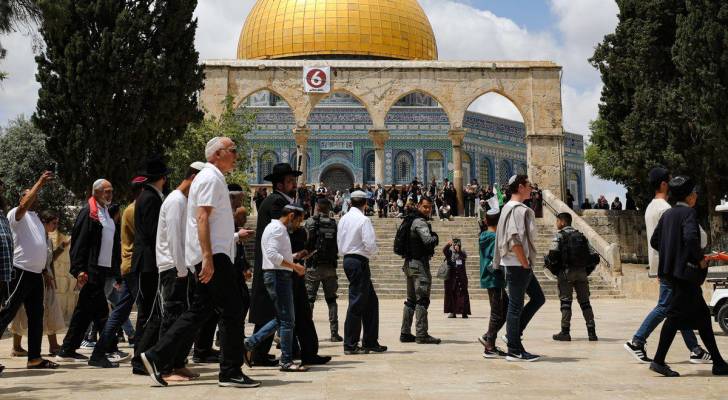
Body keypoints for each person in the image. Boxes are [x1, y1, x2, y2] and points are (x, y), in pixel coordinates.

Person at [141, 137, 258, 388]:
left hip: (214, 254)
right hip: (213, 256)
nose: (236, 155)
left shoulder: (213, 177)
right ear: (217, 154)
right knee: (233, 310)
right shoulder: (209, 177)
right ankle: (230, 371)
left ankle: (155, 355)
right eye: (232, 150)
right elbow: (202, 218)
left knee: (199, 311)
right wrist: (207, 258)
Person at [624, 167, 710, 364]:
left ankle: (695, 349)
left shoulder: (650, 207)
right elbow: (692, 238)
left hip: (662, 264)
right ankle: (637, 341)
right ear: (664, 184)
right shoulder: (667, 210)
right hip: (672, 266)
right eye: (670, 181)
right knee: (666, 307)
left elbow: (656, 241)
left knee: (677, 307)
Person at [648, 176, 728, 377]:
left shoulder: (668, 214)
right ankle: (658, 361)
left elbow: (655, 241)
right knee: (674, 316)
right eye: (695, 193)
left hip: (671, 273)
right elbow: (691, 239)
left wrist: (672, 253)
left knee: (702, 317)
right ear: (690, 196)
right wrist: (699, 258)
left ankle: (718, 362)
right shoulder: (688, 214)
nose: (696, 196)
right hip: (685, 275)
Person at [55, 179, 119, 367]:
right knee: (101, 312)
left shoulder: (105, 213)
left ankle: (67, 349)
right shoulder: (88, 213)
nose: (110, 195)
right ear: (96, 192)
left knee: (84, 312)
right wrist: (79, 269)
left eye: (111, 191)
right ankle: (107, 350)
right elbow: (79, 243)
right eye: (106, 191)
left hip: (103, 269)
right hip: (91, 270)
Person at [0, 171, 59, 371]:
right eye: (29, 195)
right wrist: (40, 182)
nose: (34, 198)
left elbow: (39, 248)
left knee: (36, 317)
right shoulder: (17, 214)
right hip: (21, 272)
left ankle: (34, 358)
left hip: (36, 275)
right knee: (7, 313)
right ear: (22, 198)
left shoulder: (35, 218)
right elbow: (25, 205)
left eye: (35, 195)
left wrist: (45, 272)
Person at [152, 163, 202, 381]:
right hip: (173, 267)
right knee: (172, 318)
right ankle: (164, 368)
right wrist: (181, 269)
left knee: (183, 319)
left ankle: (178, 362)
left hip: (182, 267)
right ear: (192, 178)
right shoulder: (175, 201)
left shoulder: (184, 201)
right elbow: (173, 237)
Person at [244, 204, 308, 372]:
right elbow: (272, 255)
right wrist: (294, 266)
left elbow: (276, 254)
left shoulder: (275, 228)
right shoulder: (277, 229)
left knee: (283, 319)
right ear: (291, 215)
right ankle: (286, 361)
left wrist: (294, 256)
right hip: (278, 276)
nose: (298, 226)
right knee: (287, 320)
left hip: (279, 274)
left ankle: (250, 343)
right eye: (298, 221)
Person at [249, 163, 300, 366]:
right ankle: (254, 349)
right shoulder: (277, 203)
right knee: (273, 311)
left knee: (271, 310)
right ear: (279, 184)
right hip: (274, 265)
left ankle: (258, 352)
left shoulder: (276, 200)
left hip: (274, 264)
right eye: (290, 181)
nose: (294, 184)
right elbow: (284, 232)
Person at [493, 175, 545, 362]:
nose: (532, 189)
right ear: (521, 187)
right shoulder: (516, 210)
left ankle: (513, 334)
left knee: (538, 298)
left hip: (518, 264)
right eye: (529, 186)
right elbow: (514, 239)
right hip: (517, 264)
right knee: (515, 306)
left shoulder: (509, 207)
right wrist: (524, 262)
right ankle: (514, 349)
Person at [131, 157, 172, 370]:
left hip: (147, 262)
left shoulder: (146, 196)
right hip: (149, 263)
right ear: (162, 178)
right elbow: (154, 232)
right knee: (149, 312)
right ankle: (140, 358)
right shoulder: (151, 199)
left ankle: (142, 355)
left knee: (149, 311)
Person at [9, 210, 67, 357]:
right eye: (53, 223)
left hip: (45, 281)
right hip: (31, 276)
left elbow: (48, 259)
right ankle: (17, 346)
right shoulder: (34, 236)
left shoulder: (47, 239)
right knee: (20, 312)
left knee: (48, 311)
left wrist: (61, 248)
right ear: (45, 223)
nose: (55, 226)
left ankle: (51, 346)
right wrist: (44, 272)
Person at [337, 190, 386, 354]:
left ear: (351, 202)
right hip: (359, 261)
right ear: (365, 203)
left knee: (371, 301)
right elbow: (369, 243)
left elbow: (339, 242)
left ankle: (370, 341)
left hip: (348, 260)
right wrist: (374, 253)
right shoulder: (363, 220)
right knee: (357, 302)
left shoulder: (343, 219)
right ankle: (350, 344)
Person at [544, 213, 599, 342]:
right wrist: (586, 271)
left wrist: (554, 269)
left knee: (566, 303)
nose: (556, 223)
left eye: (557, 221)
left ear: (562, 222)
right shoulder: (581, 236)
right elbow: (594, 256)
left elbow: (552, 256)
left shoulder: (559, 236)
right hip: (581, 273)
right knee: (585, 303)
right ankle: (592, 332)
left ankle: (565, 332)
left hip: (566, 273)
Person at [400, 196, 441, 344]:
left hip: (409, 264)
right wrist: (436, 237)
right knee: (422, 299)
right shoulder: (419, 222)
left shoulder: (410, 220)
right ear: (418, 206)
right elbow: (428, 241)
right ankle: (421, 334)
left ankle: (405, 333)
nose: (428, 209)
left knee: (411, 300)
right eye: (425, 207)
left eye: (429, 207)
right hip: (418, 265)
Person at [304, 198, 342, 342]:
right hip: (330, 267)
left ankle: (306, 332)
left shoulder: (310, 222)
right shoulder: (333, 223)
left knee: (309, 300)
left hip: (313, 266)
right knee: (332, 300)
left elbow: (306, 242)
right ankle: (334, 333)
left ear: (317, 208)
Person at [477, 209, 508, 358]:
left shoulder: (483, 235)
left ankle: (488, 337)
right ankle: (489, 346)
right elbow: (494, 257)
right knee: (498, 312)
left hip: (488, 278)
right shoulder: (494, 238)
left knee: (505, 308)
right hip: (495, 278)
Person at [443, 239, 471, 319]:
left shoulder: (462, 253)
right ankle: (453, 312)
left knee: (463, 295)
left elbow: (465, 257)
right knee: (452, 295)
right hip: (451, 279)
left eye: (458, 244)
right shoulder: (450, 253)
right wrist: (448, 244)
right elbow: (444, 250)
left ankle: (464, 312)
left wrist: (459, 251)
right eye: (455, 245)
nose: (456, 246)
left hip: (461, 278)